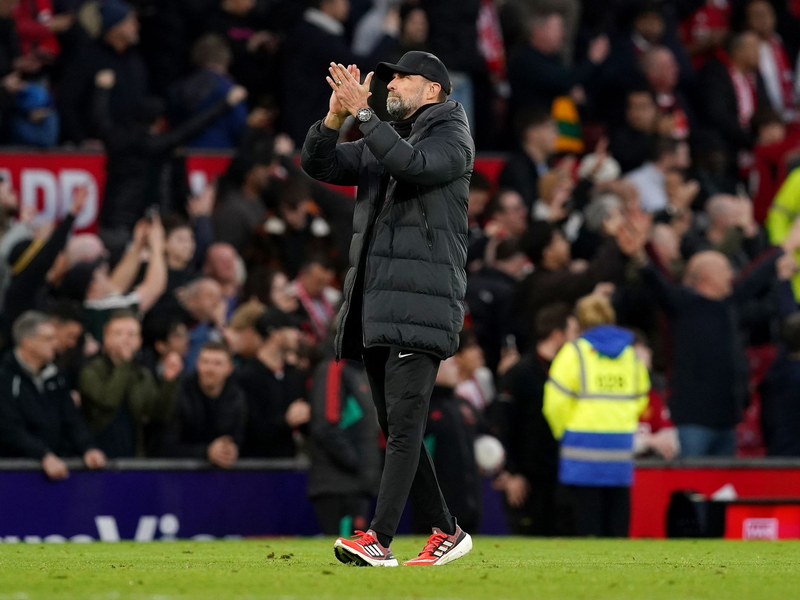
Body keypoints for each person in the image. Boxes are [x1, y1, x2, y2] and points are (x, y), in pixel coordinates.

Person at [301, 51, 474, 566]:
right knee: (399, 427)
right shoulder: (389, 141)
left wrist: (366, 116)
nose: (393, 83)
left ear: (435, 91)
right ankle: (448, 531)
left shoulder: (452, 139)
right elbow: (321, 164)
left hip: (420, 306)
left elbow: (413, 167)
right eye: (391, 76)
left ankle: (378, 538)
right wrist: (335, 117)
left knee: (402, 427)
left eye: (404, 77)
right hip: (378, 304)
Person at [640, 225, 800, 456]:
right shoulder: (683, 306)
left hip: (727, 420)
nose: (731, 276)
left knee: (723, 491)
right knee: (691, 487)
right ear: (707, 276)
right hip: (693, 421)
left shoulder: (727, 306)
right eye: (725, 270)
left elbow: (754, 278)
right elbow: (656, 280)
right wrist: (642, 252)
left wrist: (784, 248)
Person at [543, 295, 650, 537]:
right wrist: (620, 422)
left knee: (586, 531)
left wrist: (565, 432)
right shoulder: (630, 355)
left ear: (580, 322)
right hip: (620, 448)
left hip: (581, 450)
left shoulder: (573, 353)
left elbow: (554, 404)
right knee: (616, 530)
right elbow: (642, 397)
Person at [491, 303, 578, 535]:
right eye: (574, 333)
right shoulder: (520, 373)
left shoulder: (574, 372)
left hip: (564, 476)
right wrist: (511, 473)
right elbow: (502, 425)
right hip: (528, 482)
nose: (578, 341)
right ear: (557, 334)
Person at [0, 311, 106, 480]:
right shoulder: (5, 378)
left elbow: (72, 419)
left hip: (57, 468)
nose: (55, 344)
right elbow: (9, 429)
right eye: (48, 339)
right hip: (14, 474)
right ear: (28, 343)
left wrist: (88, 448)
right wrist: (43, 455)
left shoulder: (56, 377)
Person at [281, 0, 398, 145]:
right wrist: (389, 34)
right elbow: (364, 65)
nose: (348, 6)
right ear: (327, 3)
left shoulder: (311, 31)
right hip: (306, 124)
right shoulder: (318, 37)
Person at [79, 310, 181, 458]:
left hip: (133, 455)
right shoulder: (90, 370)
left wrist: (168, 381)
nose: (126, 340)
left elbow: (158, 414)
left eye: (132, 334)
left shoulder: (142, 374)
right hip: (97, 455)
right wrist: (124, 363)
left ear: (139, 341)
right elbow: (108, 401)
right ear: (106, 337)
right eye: (119, 333)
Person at [307, 329, 380, 537]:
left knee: (355, 557)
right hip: (338, 485)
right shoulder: (334, 368)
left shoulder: (359, 372)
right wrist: (357, 463)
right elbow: (327, 424)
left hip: (358, 484)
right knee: (344, 557)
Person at [161, 342, 247, 466]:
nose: (210, 369)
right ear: (197, 364)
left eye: (217, 363)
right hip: (180, 474)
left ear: (229, 368)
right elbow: (167, 446)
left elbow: (239, 439)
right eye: (205, 362)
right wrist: (206, 452)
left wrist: (229, 450)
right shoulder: (180, 392)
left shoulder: (236, 397)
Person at [238, 307, 309, 458]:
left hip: (289, 463)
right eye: (291, 329)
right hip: (255, 466)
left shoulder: (295, 375)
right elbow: (248, 427)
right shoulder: (246, 376)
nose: (297, 335)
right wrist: (286, 421)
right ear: (275, 335)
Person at [168, 33, 248, 149]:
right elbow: (239, 127)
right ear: (225, 57)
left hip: (184, 153)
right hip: (220, 156)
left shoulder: (180, 86)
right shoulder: (231, 90)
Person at [498, 109, 557, 211]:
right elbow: (526, 208)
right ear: (532, 133)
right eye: (550, 128)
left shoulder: (550, 165)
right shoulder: (516, 169)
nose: (556, 135)